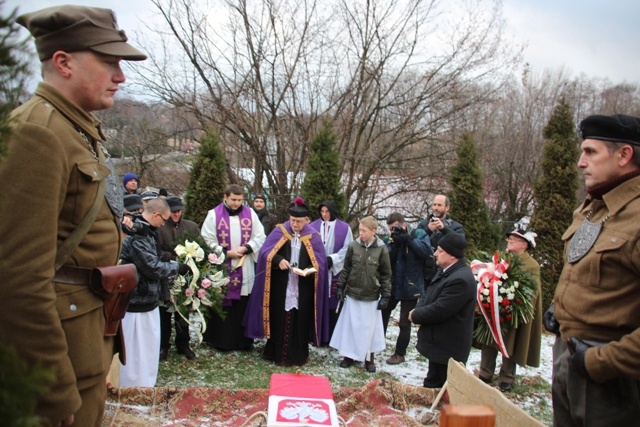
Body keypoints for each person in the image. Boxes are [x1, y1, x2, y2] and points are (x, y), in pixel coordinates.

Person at [0, 5, 146, 426]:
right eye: (109, 61)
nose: (120, 75)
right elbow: (17, 279)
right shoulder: (37, 133)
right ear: (63, 62)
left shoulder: (76, 129)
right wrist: (52, 390)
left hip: (80, 348)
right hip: (54, 367)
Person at [547, 114, 640, 426]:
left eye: (590, 152)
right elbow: (589, 273)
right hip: (568, 357)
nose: (580, 162)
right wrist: (557, 308)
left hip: (609, 375)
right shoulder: (593, 206)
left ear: (624, 155)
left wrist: (601, 362)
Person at [244, 197, 329, 366]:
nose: (294, 225)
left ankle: (297, 355)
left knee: (300, 320)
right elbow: (265, 253)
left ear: (307, 220)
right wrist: (278, 260)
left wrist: (311, 271)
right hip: (281, 284)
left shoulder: (313, 236)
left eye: (298, 221)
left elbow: (320, 263)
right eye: (292, 220)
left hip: (302, 287)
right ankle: (275, 352)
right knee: (278, 318)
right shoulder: (280, 231)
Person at [119, 198, 189, 386]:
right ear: (156, 215)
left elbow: (154, 258)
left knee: (148, 348)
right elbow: (152, 267)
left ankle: (145, 383)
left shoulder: (147, 232)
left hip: (148, 300)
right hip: (135, 301)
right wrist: (176, 267)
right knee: (135, 350)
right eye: (163, 219)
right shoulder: (137, 234)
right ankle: (131, 386)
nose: (164, 224)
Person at [201, 184, 266, 350]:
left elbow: (260, 236)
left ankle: (243, 341)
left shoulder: (250, 213)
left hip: (245, 265)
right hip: (222, 266)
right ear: (225, 197)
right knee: (223, 302)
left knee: (242, 304)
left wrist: (246, 248)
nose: (237, 203)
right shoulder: (213, 215)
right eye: (233, 199)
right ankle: (222, 341)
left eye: (239, 200)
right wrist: (225, 252)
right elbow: (207, 240)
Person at [479, 228, 542, 392]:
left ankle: (506, 378)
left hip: (513, 311)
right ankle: (485, 373)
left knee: (510, 343)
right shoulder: (501, 258)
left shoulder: (532, 265)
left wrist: (514, 303)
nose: (511, 240)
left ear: (525, 244)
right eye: (510, 238)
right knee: (489, 341)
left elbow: (532, 291)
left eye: (515, 238)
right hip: (494, 308)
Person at [409, 233, 475, 388]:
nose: (435, 254)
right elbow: (428, 293)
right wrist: (418, 308)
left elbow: (440, 309)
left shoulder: (460, 280)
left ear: (452, 256)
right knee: (433, 380)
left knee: (442, 387)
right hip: (439, 344)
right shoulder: (447, 270)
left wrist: (416, 315)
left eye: (440, 250)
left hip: (448, 347)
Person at [330, 216, 392, 373]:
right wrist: (340, 287)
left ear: (374, 231)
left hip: (370, 295)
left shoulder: (382, 249)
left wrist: (385, 295)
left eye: (364, 231)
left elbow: (385, 275)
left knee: (368, 328)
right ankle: (348, 355)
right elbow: (347, 269)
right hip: (353, 294)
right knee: (351, 326)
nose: (361, 234)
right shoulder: (353, 246)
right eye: (359, 230)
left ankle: (369, 357)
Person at [382, 212, 432, 365]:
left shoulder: (418, 234)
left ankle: (400, 353)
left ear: (403, 224)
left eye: (395, 228)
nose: (393, 231)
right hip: (393, 283)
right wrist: (395, 245)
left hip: (411, 285)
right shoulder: (388, 239)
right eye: (390, 228)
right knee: (382, 314)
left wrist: (408, 239)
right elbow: (385, 258)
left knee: (405, 321)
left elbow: (425, 253)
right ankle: (378, 343)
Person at [156, 196, 201, 360]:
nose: (176, 214)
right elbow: (156, 251)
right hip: (166, 274)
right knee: (165, 313)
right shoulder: (160, 228)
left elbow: (200, 246)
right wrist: (173, 256)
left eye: (179, 211)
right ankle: (163, 345)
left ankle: (183, 344)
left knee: (183, 311)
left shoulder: (191, 226)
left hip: (186, 275)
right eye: (173, 212)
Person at [309, 201, 353, 338]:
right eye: (322, 211)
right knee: (315, 301)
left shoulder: (345, 228)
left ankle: (331, 336)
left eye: (327, 211)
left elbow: (348, 249)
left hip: (334, 271)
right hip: (317, 270)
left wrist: (332, 260)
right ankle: (314, 334)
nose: (324, 214)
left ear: (333, 211)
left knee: (332, 303)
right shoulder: (312, 226)